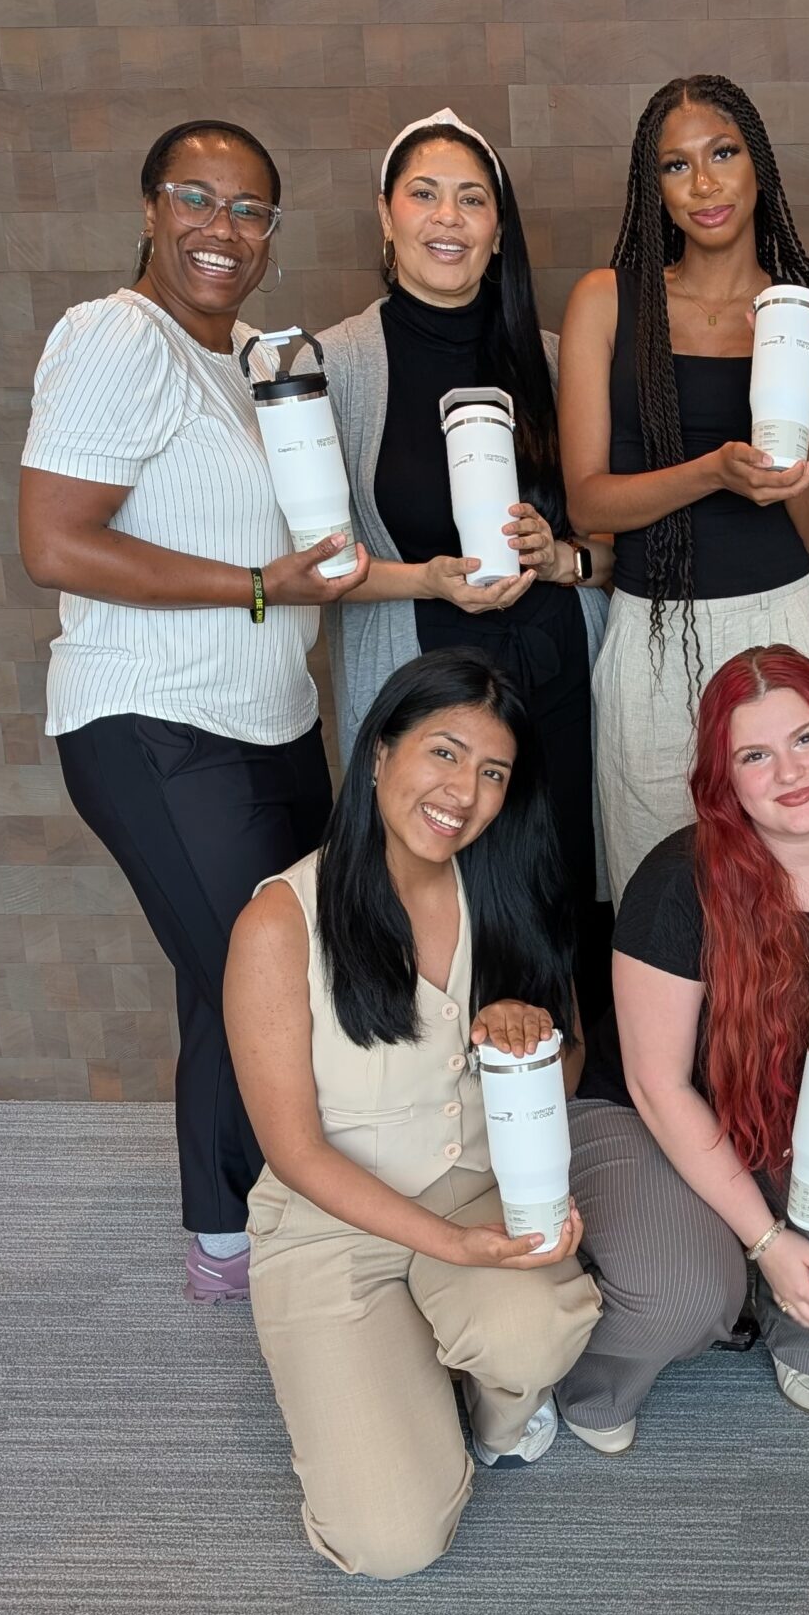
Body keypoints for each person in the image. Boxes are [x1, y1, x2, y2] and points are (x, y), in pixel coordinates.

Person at [17, 119, 363, 1302]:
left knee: (240, 974)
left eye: (251, 208)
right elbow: (55, 542)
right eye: (197, 199)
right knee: (257, 980)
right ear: (153, 207)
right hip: (152, 721)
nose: (223, 229)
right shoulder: (117, 337)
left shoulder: (258, 356)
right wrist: (261, 586)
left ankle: (226, 1216)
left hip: (271, 719)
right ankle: (248, 1238)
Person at [222, 650, 601, 1579]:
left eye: (493, 772)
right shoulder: (279, 920)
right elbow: (295, 1150)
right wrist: (448, 1250)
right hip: (326, 1227)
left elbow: (574, 1060)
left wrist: (532, 1042)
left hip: (475, 1189)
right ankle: (403, 1379)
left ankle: (491, 1408)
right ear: (382, 749)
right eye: (443, 752)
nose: (463, 792)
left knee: (533, 1331)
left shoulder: (508, 890)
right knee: (390, 1543)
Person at [557, 646, 809, 1452]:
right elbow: (658, 1084)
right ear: (724, 779)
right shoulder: (675, 883)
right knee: (684, 1291)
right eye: (754, 756)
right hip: (647, 1113)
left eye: (806, 739)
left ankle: (796, 1330)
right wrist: (765, 1242)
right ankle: (601, 1379)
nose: (789, 772)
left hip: (793, 1113)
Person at [319, 108, 614, 1018]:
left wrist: (564, 558)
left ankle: (586, 1120)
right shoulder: (336, 368)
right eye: (424, 195)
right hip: (425, 697)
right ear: (386, 215)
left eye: (472, 200)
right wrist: (427, 578)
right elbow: (313, 565)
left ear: (497, 229)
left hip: (561, 686)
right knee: (440, 918)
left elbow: (625, 549)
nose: (447, 218)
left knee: (570, 912)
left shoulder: (561, 363)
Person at [559, 75, 809, 898]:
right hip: (651, 632)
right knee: (662, 885)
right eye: (675, 166)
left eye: (723, 154)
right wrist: (712, 471)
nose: (704, 183)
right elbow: (587, 504)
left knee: (795, 886)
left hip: (781, 626)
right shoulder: (608, 302)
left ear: (758, 165)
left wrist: (797, 407)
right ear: (651, 187)